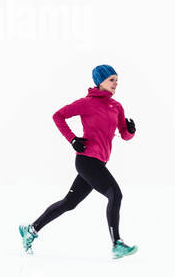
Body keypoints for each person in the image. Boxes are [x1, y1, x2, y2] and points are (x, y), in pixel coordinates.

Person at [19, 64, 138, 259]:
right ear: (100, 81)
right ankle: (117, 243)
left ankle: (31, 229)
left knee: (69, 202)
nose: (116, 83)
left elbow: (124, 134)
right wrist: (73, 139)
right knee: (115, 194)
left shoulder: (116, 107)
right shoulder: (86, 103)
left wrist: (131, 131)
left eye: (117, 80)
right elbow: (58, 116)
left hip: (99, 162)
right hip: (86, 161)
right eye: (111, 80)